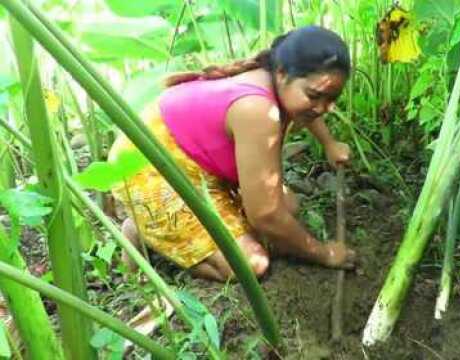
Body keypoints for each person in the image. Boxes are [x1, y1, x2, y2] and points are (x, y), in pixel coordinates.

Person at [109, 26, 356, 282]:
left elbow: (309, 107)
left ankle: (161, 230)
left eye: (332, 98)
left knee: (288, 209)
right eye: (315, 95)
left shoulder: (275, 77)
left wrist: (329, 143)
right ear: (282, 74)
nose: (323, 108)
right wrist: (324, 253)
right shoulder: (257, 110)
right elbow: (266, 216)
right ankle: (147, 234)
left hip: (195, 159)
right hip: (150, 168)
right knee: (250, 264)